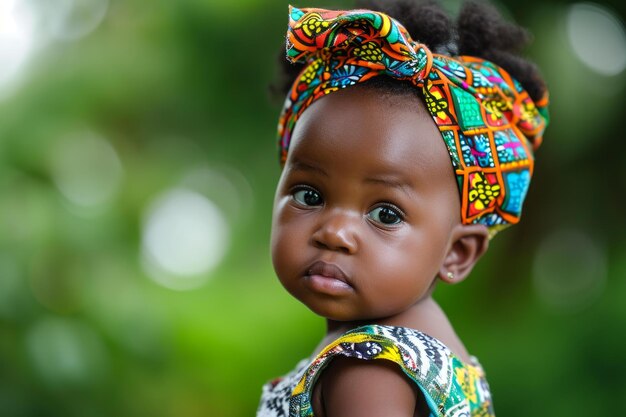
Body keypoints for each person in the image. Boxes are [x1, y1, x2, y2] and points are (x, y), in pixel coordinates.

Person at [258, 0, 549, 415]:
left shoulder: (367, 368)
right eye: (310, 195)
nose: (334, 232)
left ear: (457, 252)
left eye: (386, 214)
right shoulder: (436, 352)